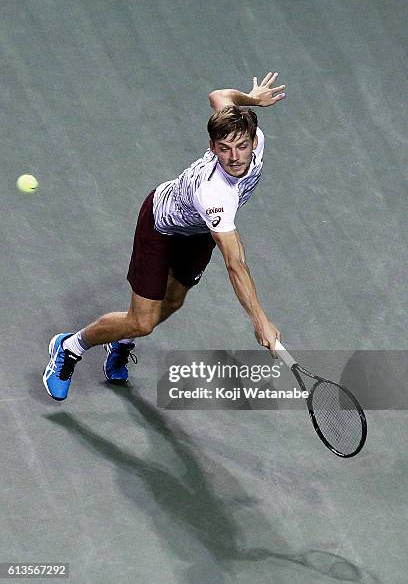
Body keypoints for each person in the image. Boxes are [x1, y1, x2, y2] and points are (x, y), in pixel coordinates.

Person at [43, 71, 286, 401]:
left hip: (198, 232)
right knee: (142, 322)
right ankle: (70, 346)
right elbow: (235, 263)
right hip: (161, 225)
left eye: (241, 147)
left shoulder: (249, 136)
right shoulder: (216, 194)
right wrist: (261, 321)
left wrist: (251, 99)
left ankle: (120, 340)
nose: (233, 158)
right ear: (212, 147)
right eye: (223, 149)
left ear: (254, 139)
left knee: (171, 303)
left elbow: (219, 95)